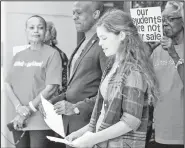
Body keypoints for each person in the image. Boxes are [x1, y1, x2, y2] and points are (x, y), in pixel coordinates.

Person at [65, 9, 160, 148]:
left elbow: (131, 121)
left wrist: (92, 139)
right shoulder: (111, 66)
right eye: (99, 39)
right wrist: (81, 133)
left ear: (121, 35)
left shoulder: (133, 71)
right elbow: (101, 113)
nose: (100, 43)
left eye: (104, 38)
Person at [51, 1, 107, 147]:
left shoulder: (104, 45)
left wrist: (76, 108)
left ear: (96, 14)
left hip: (89, 126)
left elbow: (109, 93)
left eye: (79, 13)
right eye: (73, 13)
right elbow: (77, 85)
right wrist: (54, 101)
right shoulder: (82, 42)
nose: (74, 17)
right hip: (70, 126)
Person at [4, 15, 62, 148]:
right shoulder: (18, 56)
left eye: (40, 28)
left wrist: (28, 110)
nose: (36, 31)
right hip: (19, 120)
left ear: (45, 31)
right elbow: (7, 84)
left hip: (40, 121)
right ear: (26, 31)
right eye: (32, 27)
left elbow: (51, 88)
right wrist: (19, 108)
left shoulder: (52, 54)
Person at [146, 1, 184, 148]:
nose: (165, 23)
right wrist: (145, 52)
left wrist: (174, 54)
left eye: (171, 18)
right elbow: (146, 84)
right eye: (162, 19)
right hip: (158, 133)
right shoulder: (157, 51)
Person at [44, 21, 68, 94]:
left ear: (52, 34)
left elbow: (64, 80)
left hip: (53, 95)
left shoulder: (59, 54)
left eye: (45, 30)